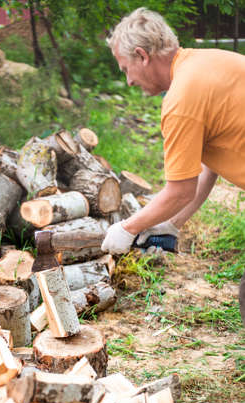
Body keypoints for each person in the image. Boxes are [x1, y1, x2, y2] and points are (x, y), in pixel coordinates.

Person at [100, 8, 245, 324]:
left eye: (127, 69)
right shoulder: (207, 61)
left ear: (143, 56)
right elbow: (207, 167)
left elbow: (179, 191)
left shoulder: (181, 100)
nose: (127, 81)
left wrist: (127, 228)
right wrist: (172, 224)